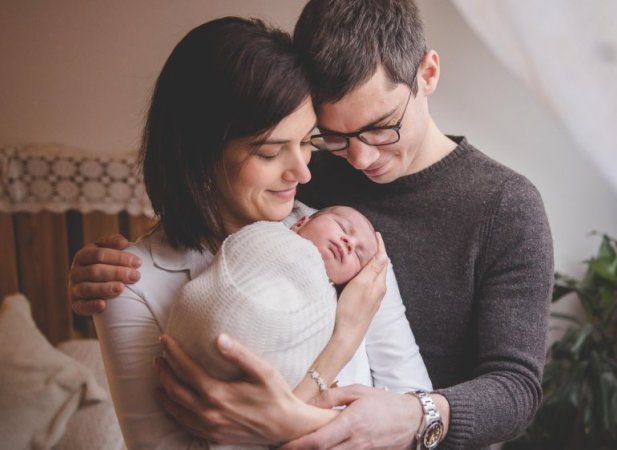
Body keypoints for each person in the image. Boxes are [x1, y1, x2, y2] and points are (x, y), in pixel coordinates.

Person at [70, 1, 555, 448]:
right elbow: (211, 217)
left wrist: (398, 414)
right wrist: (102, 270)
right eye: (334, 137)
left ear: (427, 73)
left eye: (381, 126)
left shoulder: (504, 206)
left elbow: (513, 388)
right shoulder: (311, 192)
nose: (359, 158)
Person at [85, 16, 430, 450]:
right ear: (201, 154)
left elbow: (415, 420)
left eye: (308, 141)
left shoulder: (345, 241)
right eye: (270, 151)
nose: (302, 171)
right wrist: (341, 343)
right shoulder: (131, 286)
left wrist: (286, 421)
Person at [167, 206, 381, 392]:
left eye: (358, 255)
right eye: (342, 227)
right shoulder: (268, 235)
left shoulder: (333, 307)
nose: (349, 242)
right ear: (300, 223)